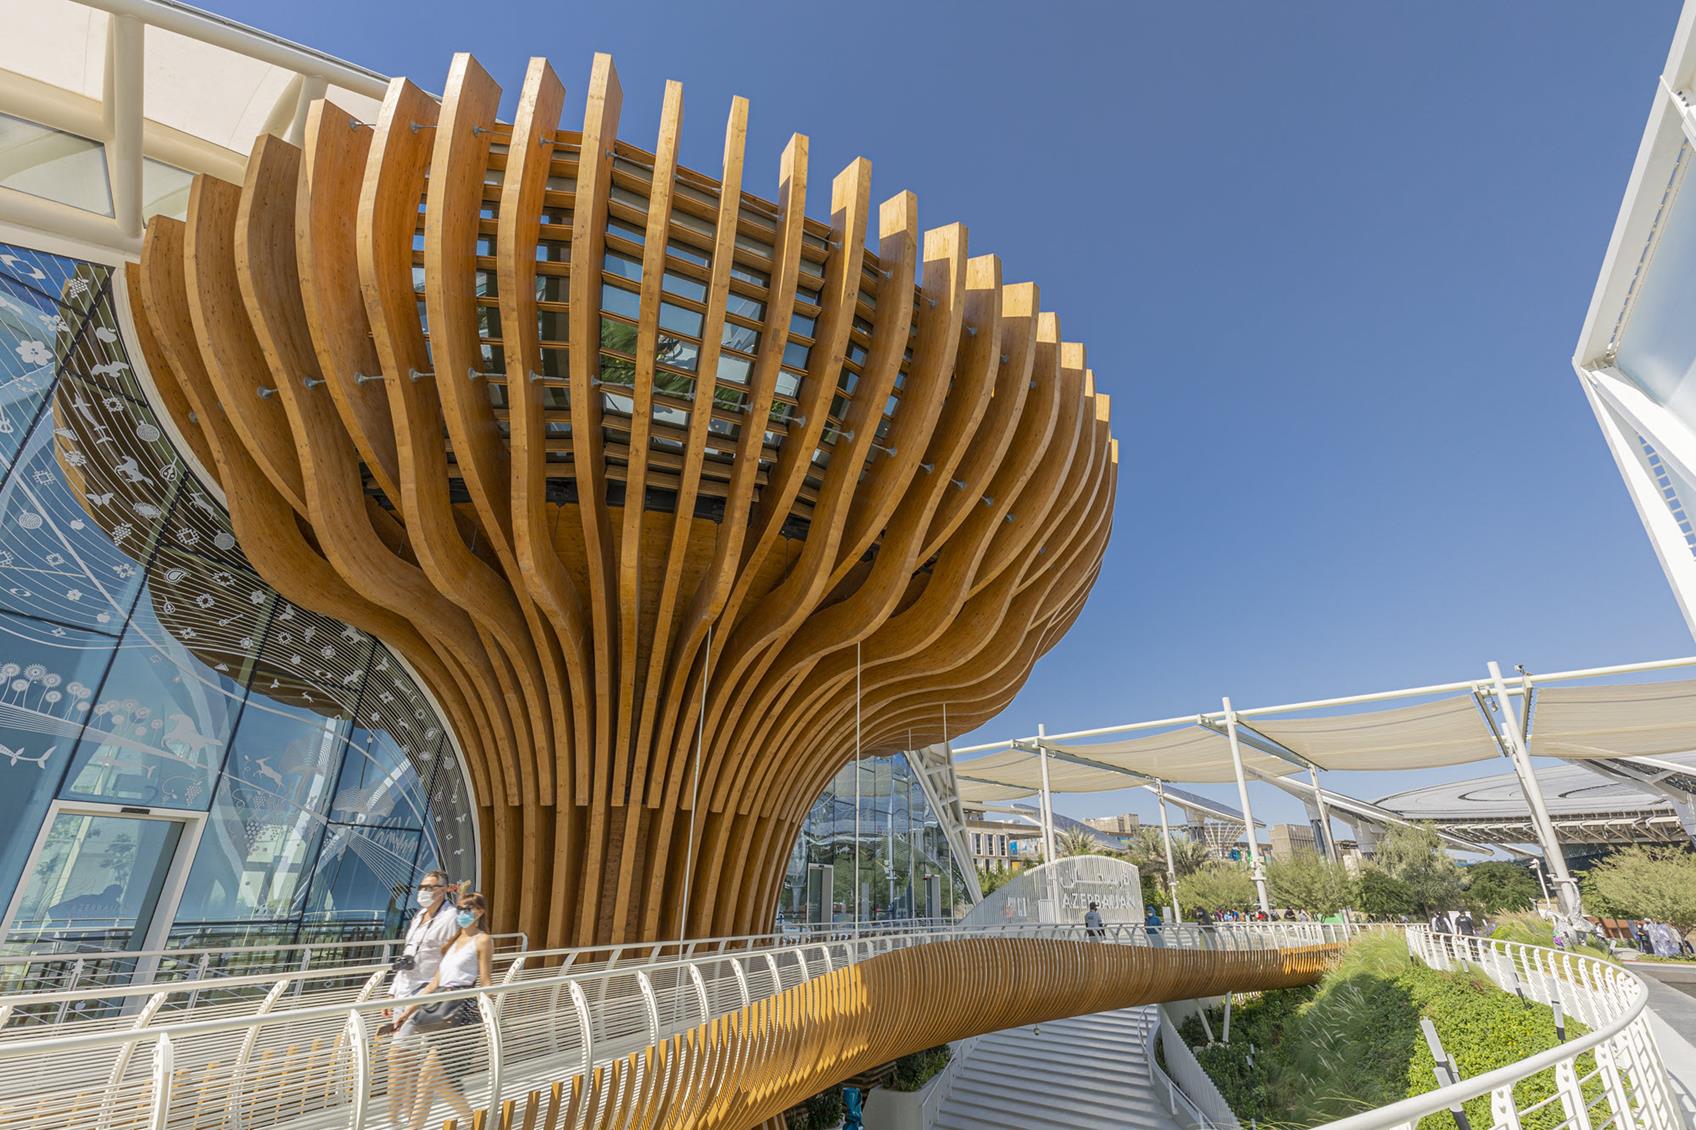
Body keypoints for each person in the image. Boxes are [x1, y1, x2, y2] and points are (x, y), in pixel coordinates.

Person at [395, 891, 495, 1130]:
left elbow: (486, 981)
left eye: (468, 909)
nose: (462, 913)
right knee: (434, 1080)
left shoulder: (482, 940)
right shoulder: (453, 942)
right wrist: (407, 1012)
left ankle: (474, 1123)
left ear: (479, 912)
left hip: (462, 1014)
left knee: (430, 1077)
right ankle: (474, 1123)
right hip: (442, 1012)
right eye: (460, 909)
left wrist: (490, 1015)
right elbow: (433, 985)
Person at [385, 871, 459, 1130]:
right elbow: (408, 954)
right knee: (409, 1063)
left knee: (397, 1056)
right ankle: (409, 1121)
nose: (424, 891)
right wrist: (392, 992)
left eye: (430, 887)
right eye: (422, 886)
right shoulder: (419, 916)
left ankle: (395, 1120)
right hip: (404, 990)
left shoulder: (451, 918)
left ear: (444, 889)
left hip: (425, 993)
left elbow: (453, 957)